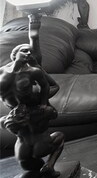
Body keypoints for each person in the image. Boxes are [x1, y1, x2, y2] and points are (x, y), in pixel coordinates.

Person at [0, 44, 64, 176]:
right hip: (33, 143)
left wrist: (42, 103)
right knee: (29, 164)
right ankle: (48, 167)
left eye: (31, 51)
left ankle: (47, 167)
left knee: (31, 165)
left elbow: (50, 87)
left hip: (27, 145)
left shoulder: (33, 72)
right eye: (24, 50)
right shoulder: (2, 72)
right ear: (14, 53)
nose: (28, 53)